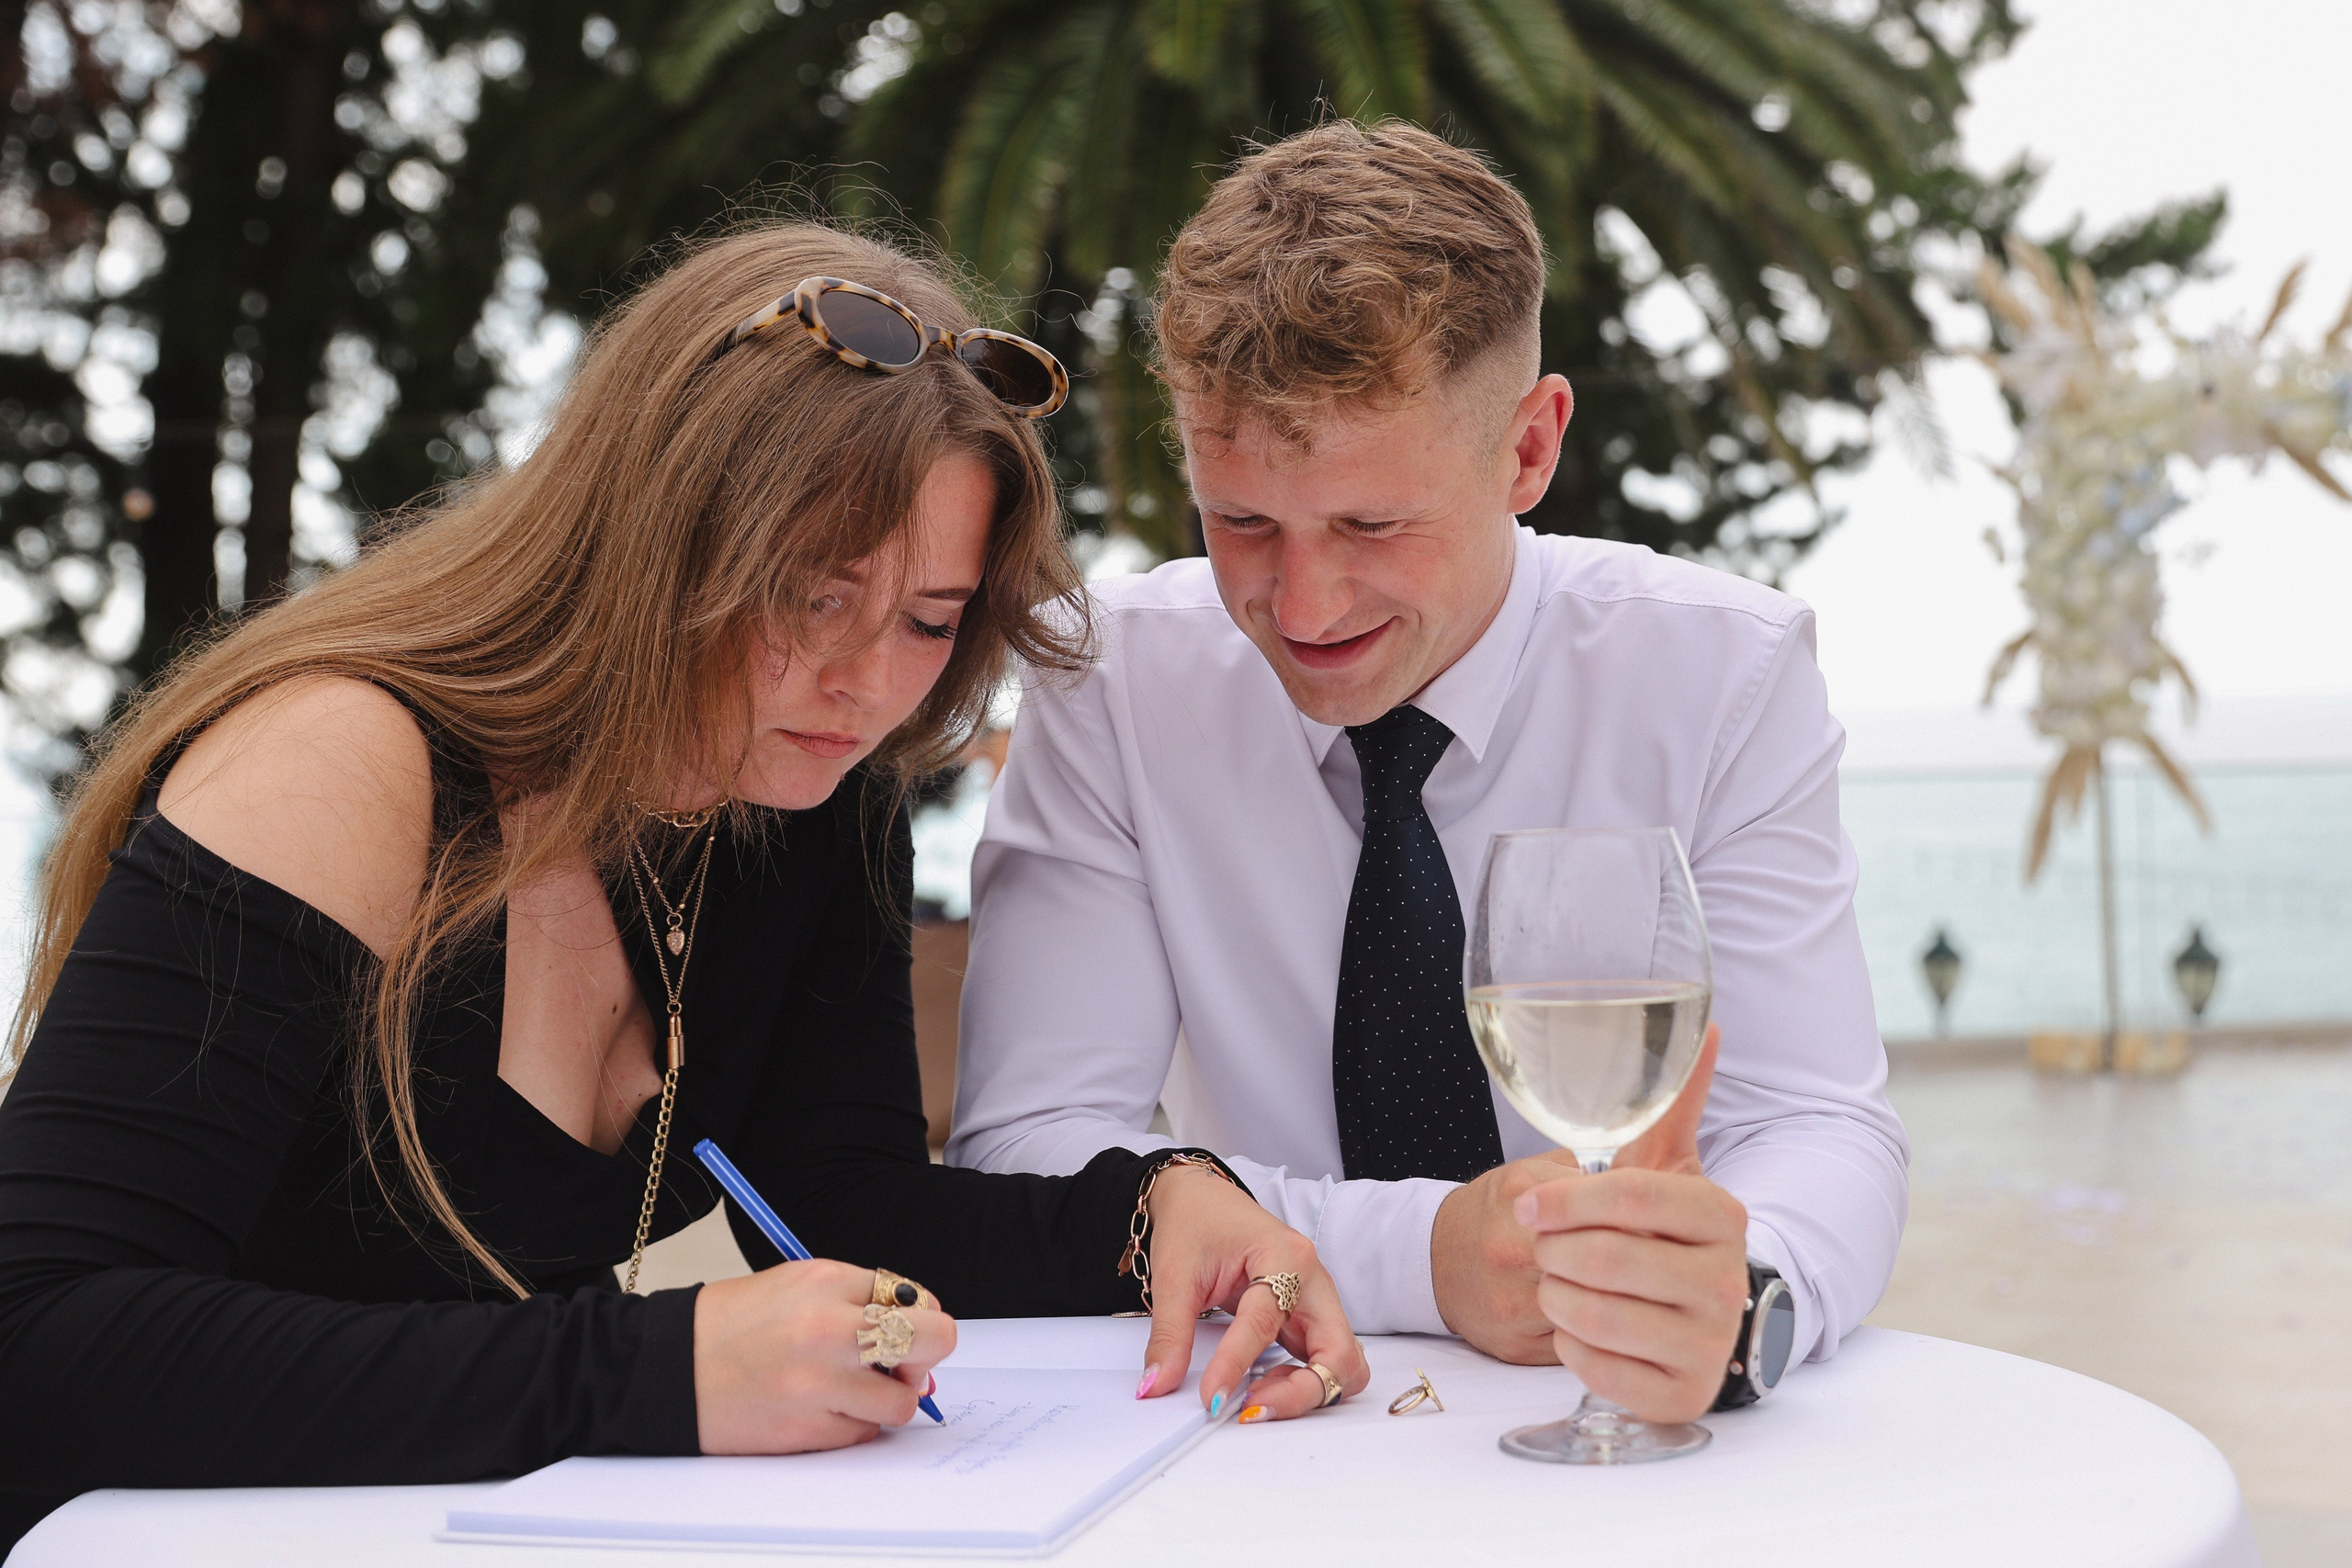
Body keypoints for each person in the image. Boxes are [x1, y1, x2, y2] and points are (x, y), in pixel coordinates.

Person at [0, 223, 1369, 1549]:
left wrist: (1148, 1209)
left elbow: (839, 1202)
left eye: (929, 619)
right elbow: (40, 1342)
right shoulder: (344, 766)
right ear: (659, 537)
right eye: (814, 598)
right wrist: (653, 1373)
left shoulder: (809, 787)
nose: (868, 682)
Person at [949, 121, 1909, 1422]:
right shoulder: (1113, 686)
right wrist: (1428, 1257)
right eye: (1240, 522)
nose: (1303, 600)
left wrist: (1747, 1299)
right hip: (1254, 1428)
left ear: (1528, 448)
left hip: (1622, 1432)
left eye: (1371, 524)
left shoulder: (1721, 675)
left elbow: (1817, 1126)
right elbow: (1030, 1148)